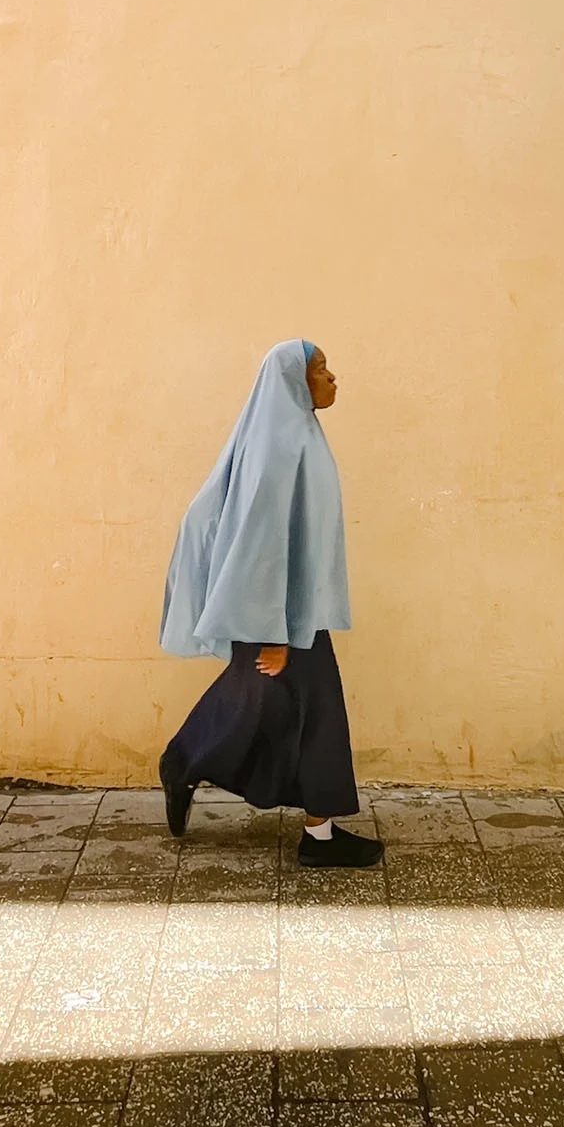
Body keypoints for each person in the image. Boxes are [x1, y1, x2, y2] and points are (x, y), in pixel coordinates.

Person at [157, 340, 383, 868]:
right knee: (312, 712)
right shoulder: (278, 448)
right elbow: (260, 542)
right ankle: (313, 834)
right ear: (292, 381)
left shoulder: (297, 434)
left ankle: (187, 763)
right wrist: (271, 632)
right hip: (277, 615)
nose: (333, 378)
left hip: (291, 610)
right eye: (321, 369)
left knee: (273, 708)